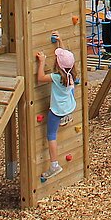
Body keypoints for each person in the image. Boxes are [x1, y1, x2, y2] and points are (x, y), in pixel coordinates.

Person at [34, 39, 78, 181]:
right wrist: (60, 41)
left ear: (58, 64)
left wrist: (42, 61)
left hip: (57, 110)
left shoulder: (56, 77)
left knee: (51, 135)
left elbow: (40, 78)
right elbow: (66, 57)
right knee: (71, 89)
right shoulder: (71, 73)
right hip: (69, 105)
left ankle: (54, 165)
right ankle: (67, 115)